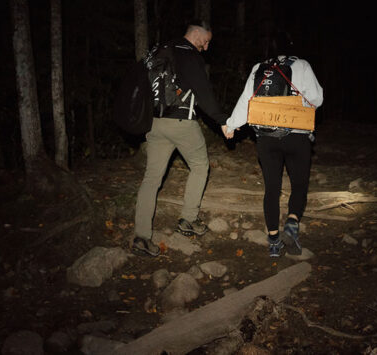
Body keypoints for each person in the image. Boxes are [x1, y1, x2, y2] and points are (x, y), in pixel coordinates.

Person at [132, 20, 229, 257]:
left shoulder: (160, 50)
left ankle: (141, 237)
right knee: (199, 166)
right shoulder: (188, 54)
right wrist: (222, 120)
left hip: (154, 123)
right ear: (196, 33)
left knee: (151, 178)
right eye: (206, 41)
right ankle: (188, 219)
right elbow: (203, 93)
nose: (206, 48)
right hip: (181, 122)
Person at [223, 32, 323, 257]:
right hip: (297, 135)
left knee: (272, 189)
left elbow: (247, 100)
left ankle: (274, 242)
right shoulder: (302, 65)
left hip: (266, 137)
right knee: (299, 184)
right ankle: (292, 221)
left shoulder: (260, 67)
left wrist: (231, 125)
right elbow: (317, 98)